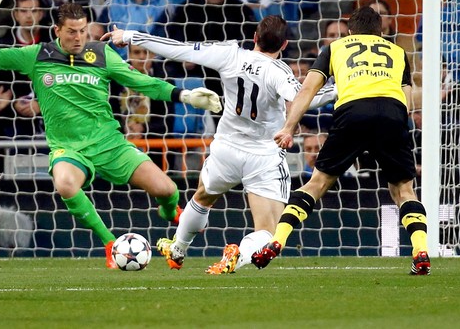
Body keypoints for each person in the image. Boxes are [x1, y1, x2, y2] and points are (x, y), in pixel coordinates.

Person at [0, 0, 221, 269]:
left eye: (83, 31)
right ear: (57, 31)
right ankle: (110, 243)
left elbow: (140, 82)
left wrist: (183, 94)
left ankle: (170, 212)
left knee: (166, 189)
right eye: (71, 32)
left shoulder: (101, 54)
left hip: (110, 144)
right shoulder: (37, 56)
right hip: (70, 149)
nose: (79, 38)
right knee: (65, 184)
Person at [104, 15, 336, 273]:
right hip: (263, 154)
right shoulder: (279, 71)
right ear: (284, 46)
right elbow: (306, 98)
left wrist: (129, 36)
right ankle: (238, 254)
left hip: (226, 148)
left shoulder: (230, 54)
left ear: (255, 38)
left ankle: (178, 247)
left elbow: (178, 47)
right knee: (268, 229)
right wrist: (341, 89)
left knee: (203, 197)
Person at [252, 6, 431, 276]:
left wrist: (289, 127)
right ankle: (420, 252)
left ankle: (276, 241)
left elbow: (307, 90)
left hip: (352, 112)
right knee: (404, 190)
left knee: (317, 183)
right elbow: (405, 101)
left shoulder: (336, 48)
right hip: (392, 115)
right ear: (380, 31)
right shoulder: (397, 52)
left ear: (350, 30)